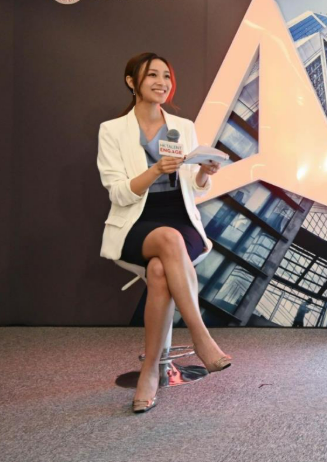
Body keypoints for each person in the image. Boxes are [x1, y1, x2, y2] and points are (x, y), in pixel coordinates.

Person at [98, 53, 232, 413]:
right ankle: (201, 337)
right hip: (136, 221)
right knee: (168, 240)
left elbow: (195, 188)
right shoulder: (112, 130)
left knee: (159, 270)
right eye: (152, 76)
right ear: (132, 82)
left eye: (166, 76)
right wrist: (155, 170)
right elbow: (119, 193)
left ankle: (150, 373)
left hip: (180, 217)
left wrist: (204, 173)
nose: (162, 83)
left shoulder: (182, 126)